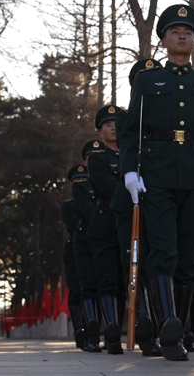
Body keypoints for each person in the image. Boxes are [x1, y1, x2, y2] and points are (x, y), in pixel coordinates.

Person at [120, 4, 194, 362]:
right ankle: (170, 328)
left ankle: (179, 326)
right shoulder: (147, 80)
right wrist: (129, 172)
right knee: (163, 250)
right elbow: (131, 130)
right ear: (163, 40)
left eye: (188, 32)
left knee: (187, 256)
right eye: (175, 32)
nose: (182, 36)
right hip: (157, 174)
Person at [112, 59, 162, 357]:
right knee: (133, 262)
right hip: (129, 199)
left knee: (157, 260)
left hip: (159, 197)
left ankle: (158, 325)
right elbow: (129, 143)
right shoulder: (124, 117)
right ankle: (142, 321)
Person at [87, 105, 126, 354]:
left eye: (117, 124)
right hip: (106, 223)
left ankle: (118, 329)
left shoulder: (136, 157)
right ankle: (111, 331)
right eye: (108, 125)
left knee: (125, 282)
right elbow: (111, 188)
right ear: (100, 132)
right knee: (108, 280)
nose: (113, 128)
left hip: (131, 223)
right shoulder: (97, 159)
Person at [74, 141, 105, 352]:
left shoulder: (111, 179)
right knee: (88, 286)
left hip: (107, 239)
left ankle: (108, 333)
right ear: (85, 162)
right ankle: (92, 334)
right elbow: (88, 211)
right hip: (86, 239)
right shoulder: (80, 186)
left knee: (107, 285)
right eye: (90, 157)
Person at [62, 165, 89, 350]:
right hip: (74, 249)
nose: (81, 183)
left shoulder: (96, 202)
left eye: (84, 180)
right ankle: (79, 330)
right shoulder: (69, 205)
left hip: (93, 248)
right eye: (77, 181)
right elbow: (74, 225)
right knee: (76, 290)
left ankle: (92, 330)